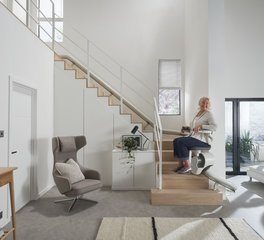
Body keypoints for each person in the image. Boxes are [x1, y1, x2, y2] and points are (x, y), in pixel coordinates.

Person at [173, 97, 217, 174]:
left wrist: (201, 126)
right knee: (176, 140)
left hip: (202, 140)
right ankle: (181, 164)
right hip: (194, 137)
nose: (205, 105)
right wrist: (187, 129)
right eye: (203, 103)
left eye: (207, 103)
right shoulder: (198, 113)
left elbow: (214, 126)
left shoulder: (208, 114)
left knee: (181, 142)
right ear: (199, 103)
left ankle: (187, 166)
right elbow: (194, 126)